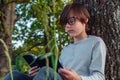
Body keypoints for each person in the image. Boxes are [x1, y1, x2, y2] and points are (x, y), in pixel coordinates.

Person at [4, 2, 107, 80]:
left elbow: (99, 76)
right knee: (15, 74)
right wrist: (34, 73)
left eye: (71, 21)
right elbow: (56, 71)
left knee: (46, 71)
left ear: (85, 19)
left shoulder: (96, 42)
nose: (67, 26)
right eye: (65, 23)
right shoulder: (66, 49)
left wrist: (78, 78)